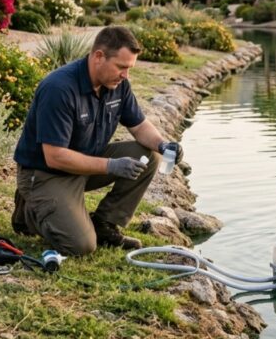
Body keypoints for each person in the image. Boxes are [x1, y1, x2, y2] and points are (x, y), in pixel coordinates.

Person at [11, 26, 184, 255]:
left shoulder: (118, 85)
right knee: (80, 245)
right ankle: (29, 212)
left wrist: (163, 145)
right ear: (99, 57)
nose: (125, 75)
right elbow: (55, 157)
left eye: (129, 68)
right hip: (46, 173)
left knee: (150, 155)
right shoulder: (59, 88)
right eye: (121, 67)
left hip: (86, 164)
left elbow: (140, 126)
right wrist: (111, 165)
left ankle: (105, 224)